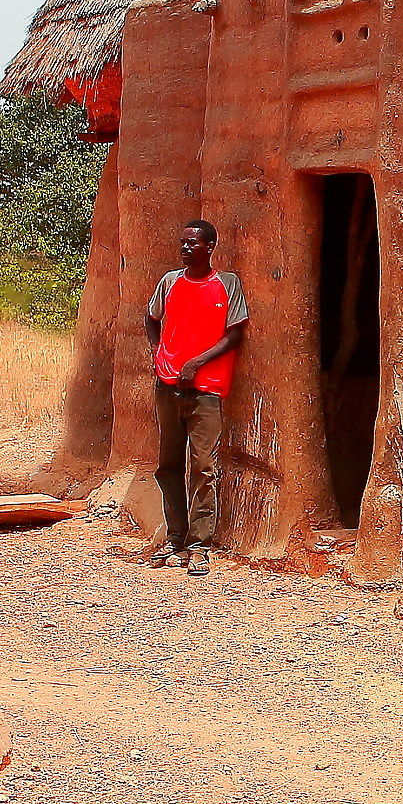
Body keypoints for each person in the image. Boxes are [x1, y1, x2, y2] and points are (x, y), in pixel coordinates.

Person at [145, 219, 247, 575]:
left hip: (207, 390)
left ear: (210, 247)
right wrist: (159, 353)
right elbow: (151, 317)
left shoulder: (227, 284)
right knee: (168, 465)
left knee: (204, 466)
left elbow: (235, 334)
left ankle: (199, 544)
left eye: (193, 243)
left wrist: (197, 363)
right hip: (168, 385)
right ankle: (175, 536)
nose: (186, 248)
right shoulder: (170, 281)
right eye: (183, 243)